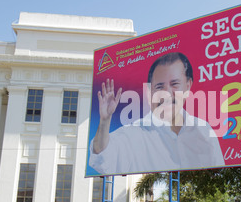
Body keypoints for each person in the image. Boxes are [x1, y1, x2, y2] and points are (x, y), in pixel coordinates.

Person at [89, 52, 224, 175]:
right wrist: (105, 121)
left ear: (188, 86)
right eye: (159, 87)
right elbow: (102, 155)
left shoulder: (203, 129)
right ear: (149, 91)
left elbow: (219, 175)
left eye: (174, 84)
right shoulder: (134, 134)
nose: (166, 93)